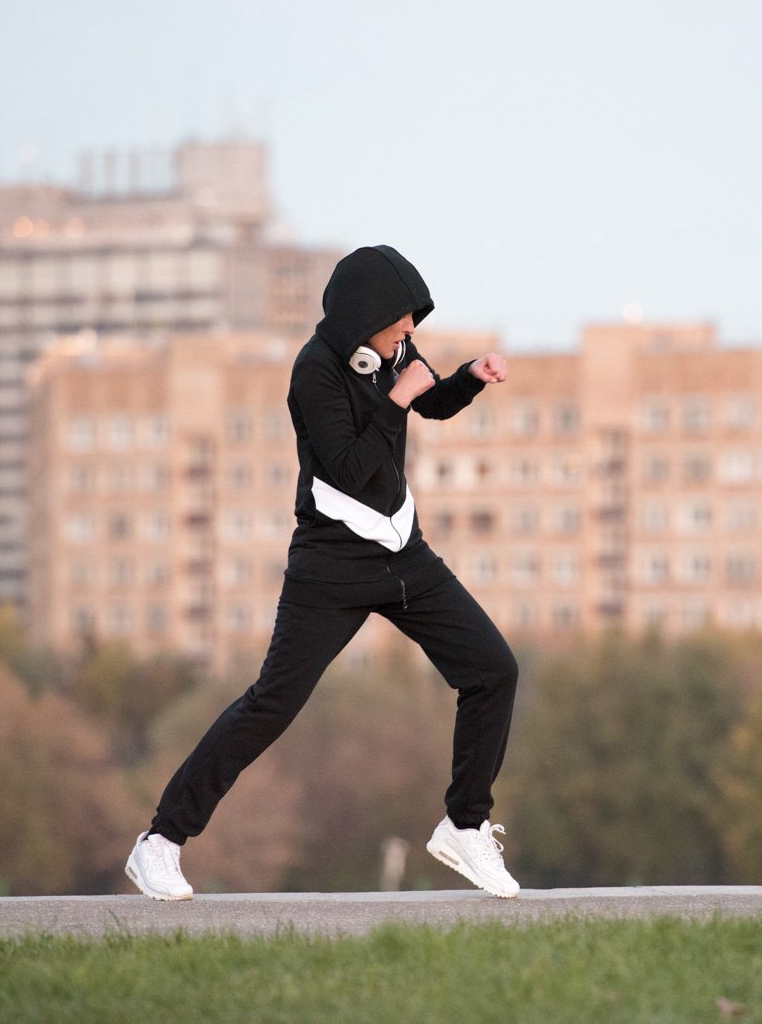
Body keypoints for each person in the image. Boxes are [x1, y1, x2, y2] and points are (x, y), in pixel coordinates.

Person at [125, 245, 521, 900]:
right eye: (401, 319)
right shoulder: (314, 373)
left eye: (414, 319)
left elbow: (431, 403)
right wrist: (397, 398)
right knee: (270, 703)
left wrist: (469, 377)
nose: (410, 332)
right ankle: (161, 841)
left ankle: (465, 826)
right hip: (331, 566)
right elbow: (348, 466)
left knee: (494, 670)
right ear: (364, 317)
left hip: (405, 556)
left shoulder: (394, 354)